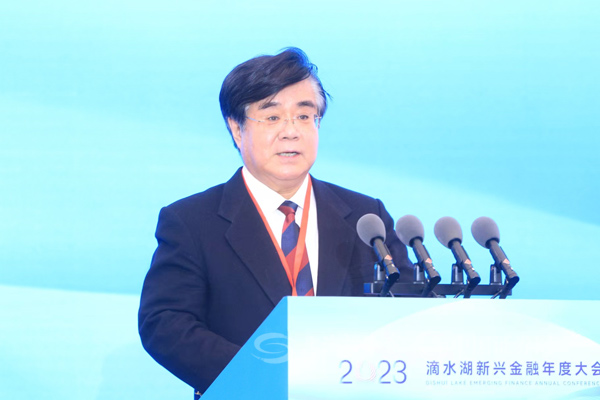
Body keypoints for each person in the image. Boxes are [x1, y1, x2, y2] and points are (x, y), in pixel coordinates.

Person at [138, 47, 413, 395]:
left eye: (304, 116)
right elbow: (165, 324)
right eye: (272, 117)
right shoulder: (192, 222)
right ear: (237, 129)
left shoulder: (365, 217)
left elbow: (408, 308)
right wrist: (261, 377)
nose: (291, 131)